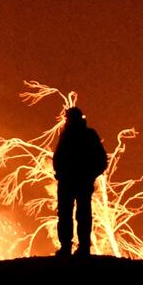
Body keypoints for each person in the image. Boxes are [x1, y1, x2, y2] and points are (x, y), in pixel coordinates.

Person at [53, 107, 108, 257]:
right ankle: (76, 247)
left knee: (74, 214)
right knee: (75, 214)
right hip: (75, 181)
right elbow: (102, 161)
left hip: (74, 181)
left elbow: (101, 160)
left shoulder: (76, 135)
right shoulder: (84, 135)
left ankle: (74, 248)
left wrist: (89, 174)